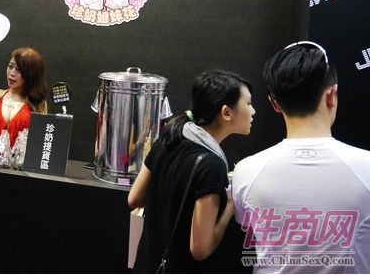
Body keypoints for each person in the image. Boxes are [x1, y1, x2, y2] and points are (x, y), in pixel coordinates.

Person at [232, 41, 370, 273]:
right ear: (332, 95)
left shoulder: (246, 171)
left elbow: (247, 225)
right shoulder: (367, 167)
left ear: (275, 103)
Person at [129, 69, 255, 273]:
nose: (253, 111)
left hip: (147, 265)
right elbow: (200, 249)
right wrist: (230, 207)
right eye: (248, 104)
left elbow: (134, 199)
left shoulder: (168, 138)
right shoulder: (212, 166)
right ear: (226, 112)